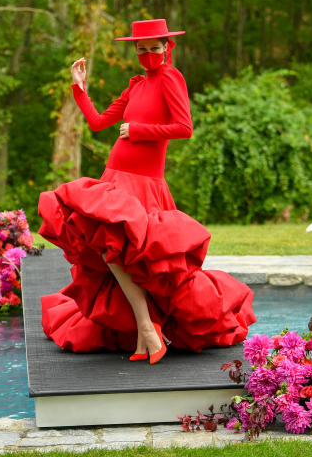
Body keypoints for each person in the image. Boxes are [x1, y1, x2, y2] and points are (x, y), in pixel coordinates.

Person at [38, 19, 255, 363]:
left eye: (155, 48)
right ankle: (145, 331)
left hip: (145, 184)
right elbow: (98, 123)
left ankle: (149, 330)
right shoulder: (136, 85)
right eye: (142, 48)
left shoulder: (171, 77)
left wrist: (137, 130)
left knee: (139, 261)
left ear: (168, 47)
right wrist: (80, 88)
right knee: (112, 254)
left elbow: (184, 128)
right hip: (115, 177)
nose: (149, 54)